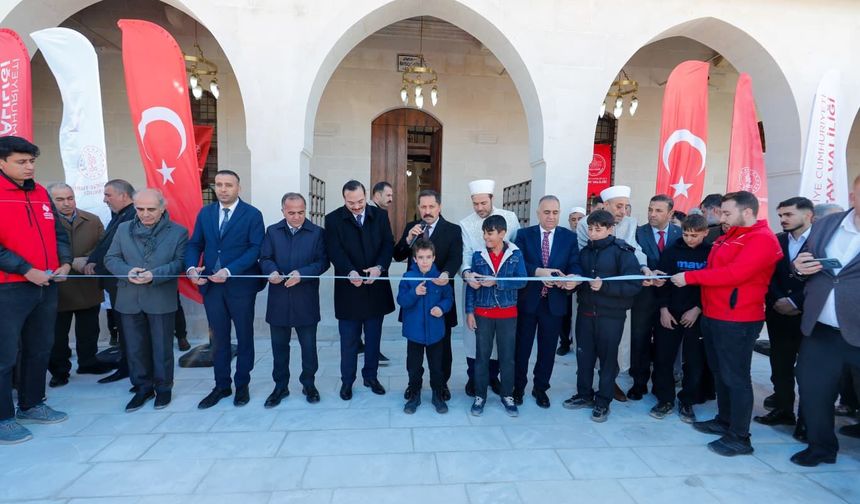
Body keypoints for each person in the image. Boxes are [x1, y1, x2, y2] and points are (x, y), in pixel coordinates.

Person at [672, 191, 782, 457]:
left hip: (738, 318)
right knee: (721, 372)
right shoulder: (729, 236)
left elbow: (735, 274)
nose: (722, 217)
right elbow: (714, 269)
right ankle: (724, 420)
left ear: (747, 212)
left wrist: (690, 277)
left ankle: (740, 436)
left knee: (736, 377)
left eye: (727, 213)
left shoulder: (761, 239)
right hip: (715, 314)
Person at [0, 136, 72, 445]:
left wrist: (65, 263)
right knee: (4, 355)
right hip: (10, 287)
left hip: (46, 284)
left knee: (40, 347)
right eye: (21, 162)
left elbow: (59, 233)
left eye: (31, 161)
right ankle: (4, 417)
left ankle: (31, 404)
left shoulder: (41, 192)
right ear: (2, 162)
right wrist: (25, 269)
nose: (29, 167)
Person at [790, 175, 860, 467]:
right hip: (821, 328)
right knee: (813, 389)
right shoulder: (827, 224)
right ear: (853, 195)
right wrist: (799, 267)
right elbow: (806, 260)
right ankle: (820, 447)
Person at [186, 170, 265, 409]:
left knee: (244, 337)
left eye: (228, 185)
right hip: (212, 288)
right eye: (219, 184)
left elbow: (255, 249)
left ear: (238, 188)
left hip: (240, 286)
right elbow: (195, 244)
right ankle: (221, 386)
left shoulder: (252, 214)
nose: (223, 189)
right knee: (218, 339)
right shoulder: (206, 212)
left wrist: (229, 271)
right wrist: (191, 269)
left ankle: (242, 386)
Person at [104, 189, 188, 412]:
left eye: (151, 209)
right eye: (140, 209)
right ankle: (142, 388)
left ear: (162, 208)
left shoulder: (178, 232)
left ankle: (163, 389)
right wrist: (127, 271)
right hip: (129, 298)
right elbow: (110, 258)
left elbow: (180, 263)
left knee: (162, 347)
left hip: (160, 297)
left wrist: (155, 275)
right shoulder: (123, 229)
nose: (145, 214)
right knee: (134, 348)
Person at [576, 185, 655, 403]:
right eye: (618, 206)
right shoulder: (586, 224)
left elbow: (634, 251)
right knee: (586, 351)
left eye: (626, 207)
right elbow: (585, 258)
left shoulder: (629, 225)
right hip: (589, 301)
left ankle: (608, 387)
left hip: (614, 305)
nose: (623, 211)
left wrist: (643, 268)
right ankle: (585, 392)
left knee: (613, 349)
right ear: (606, 205)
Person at [563, 210, 642, 422]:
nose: (593, 233)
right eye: (590, 228)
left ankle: (603, 400)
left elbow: (634, 285)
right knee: (584, 356)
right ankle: (584, 394)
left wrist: (605, 286)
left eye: (598, 229)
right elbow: (579, 277)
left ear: (610, 229)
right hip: (586, 313)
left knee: (607, 360)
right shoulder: (585, 252)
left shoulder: (623, 252)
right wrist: (572, 284)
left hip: (611, 316)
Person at [325, 180, 395, 400]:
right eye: (350, 202)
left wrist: (380, 268)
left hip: (375, 288)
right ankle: (347, 382)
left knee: (373, 339)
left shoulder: (380, 216)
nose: (356, 206)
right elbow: (334, 251)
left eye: (360, 201)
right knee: (349, 341)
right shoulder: (333, 219)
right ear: (344, 199)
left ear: (366, 196)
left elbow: (387, 245)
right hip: (349, 289)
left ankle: (371, 377)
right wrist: (349, 272)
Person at [259, 192, 328, 407]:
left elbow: (323, 262)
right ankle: (280, 387)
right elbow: (265, 258)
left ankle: (309, 384)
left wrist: (302, 274)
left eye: (300, 212)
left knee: (309, 347)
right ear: (283, 211)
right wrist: (271, 271)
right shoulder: (272, 231)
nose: (297, 217)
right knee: (279, 347)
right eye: (291, 213)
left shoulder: (317, 233)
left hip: (305, 298)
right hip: (279, 298)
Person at [393, 189, 462, 401]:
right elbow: (397, 255)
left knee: (443, 347)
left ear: (439, 207)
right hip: (415, 300)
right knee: (413, 350)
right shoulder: (411, 228)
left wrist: (446, 274)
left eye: (431, 206)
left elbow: (455, 258)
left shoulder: (452, 229)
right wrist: (407, 238)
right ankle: (414, 384)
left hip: (440, 297)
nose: (427, 211)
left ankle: (441, 385)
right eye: (423, 207)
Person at [513, 195, 581, 408]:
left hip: (554, 303)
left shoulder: (569, 238)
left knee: (548, 349)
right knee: (521, 348)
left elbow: (575, 264)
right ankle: (517, 388)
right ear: (538, 213)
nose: (551, 216)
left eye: (555, 212)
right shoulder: (524, 235)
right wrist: (537, 271)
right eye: (547, 212)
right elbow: (517, 261)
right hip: (528, 301)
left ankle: (540, 388)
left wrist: (573, 279)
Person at [754, 197, 812, 434]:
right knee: (780, 365)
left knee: (809, 371)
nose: (783, 219)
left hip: (808, 316)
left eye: (788, 214)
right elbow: (767, 273)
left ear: (808, 215)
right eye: (781, 215)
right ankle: (784, 410)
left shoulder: (822, 242)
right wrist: (779, 300)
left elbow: (824, 278)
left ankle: (807, 421)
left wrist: (795, 301)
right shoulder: (776, 240)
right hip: (778, 314)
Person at [47, 183, 113, 388]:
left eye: (70, 198)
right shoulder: (44, 221)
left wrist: (88, 259)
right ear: (50, 200)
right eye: (59, 199)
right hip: (58, 286)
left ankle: (88, 362)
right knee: (57, 335)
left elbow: (104, 246)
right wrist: (68, 262)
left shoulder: (92, 220)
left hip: (87, 283)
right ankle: (59, 371)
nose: (67, 203)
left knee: (89, 329)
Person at [460, 179, 520, 397]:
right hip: (476, 286)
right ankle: (473, 378)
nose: (479, 208)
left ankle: (492, 377)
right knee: (473, 336)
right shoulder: (466, 223)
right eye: (475, 204)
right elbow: (466, 252)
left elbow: (515, 249)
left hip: (502, 291)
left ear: (492, 199)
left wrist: (503, 279)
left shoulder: (510, 218)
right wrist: (467, 273)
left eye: (483, 203)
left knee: (498, 341)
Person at [651, 214, 712, 423]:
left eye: (695, 235)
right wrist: (663, 309)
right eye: (686, 234)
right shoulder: (671, 252)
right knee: (663, 358)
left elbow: (713, 285)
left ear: (705, 233)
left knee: (694, 360)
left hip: (696, 314)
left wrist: (698, 309)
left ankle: (687, 400)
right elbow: (662, 282)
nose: (690, 239)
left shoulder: (712, 253)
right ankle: (664, 399)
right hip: (671, 312)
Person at [465, 215, 527, 417]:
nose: (485, 237)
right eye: (484, 233)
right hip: (483, 313)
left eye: (489, 233)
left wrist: (497, 281)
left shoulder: (515, 254)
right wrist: (469, 311)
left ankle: (507, 395)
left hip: (508, 313)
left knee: (507, 357)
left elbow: (522, 281)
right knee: (482, 356)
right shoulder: (478, 255)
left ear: (502, 233)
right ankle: (480, 395)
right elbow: (471, 287)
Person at [628, 194, 681, 400]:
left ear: (670, 213)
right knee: (639, 340)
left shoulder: (681, 233)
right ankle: (639, 382)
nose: (652, 214)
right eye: (650, 209)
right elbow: (632, 259)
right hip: (644, 296)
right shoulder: (638, 233)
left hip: (670, 298)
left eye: (658, 210)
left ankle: (661, 385)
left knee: (664, 343)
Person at [85, 179, 137, 384]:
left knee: (128, 328)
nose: (104, 199)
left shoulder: (132, 215)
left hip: (122, 282)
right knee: (122, 327)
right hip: (113, 281)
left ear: (123, 195)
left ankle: (130, 367)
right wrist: (92, 260)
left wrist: (95, 262)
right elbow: (105, 243)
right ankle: (126, 365)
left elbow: (116, 248)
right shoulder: (119, 215)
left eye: (108, 195)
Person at [397, 239, 454, 414]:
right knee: (414, 366)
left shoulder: (440, 279)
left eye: (428, 257)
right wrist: (414, 293)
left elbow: (448, 299)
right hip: (414, 333)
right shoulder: (408, 278)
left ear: (434, 257)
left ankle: (437, 394)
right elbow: (401, 301)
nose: (424, 261)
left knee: (437, 366)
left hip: (436, 333)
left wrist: (441, 308)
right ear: (414, 259)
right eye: (420, 257)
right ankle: (414, 394)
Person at [363, 180, 393, 364]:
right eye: (388, 195)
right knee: (370, 316)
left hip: (377, 272)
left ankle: (370, 348)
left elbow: (387, 243)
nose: (391, 199)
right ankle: (370, 350)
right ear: (377, 195)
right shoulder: (371, 213)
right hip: (366, 274)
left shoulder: (381, 214)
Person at [557, 206, 587, 356]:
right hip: (567, 283)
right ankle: (564, 343)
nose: (576, 222)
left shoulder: (589, 236)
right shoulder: (566, 237)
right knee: (565, 315)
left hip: (584, 283)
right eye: (573, 219)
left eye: (580, 219)